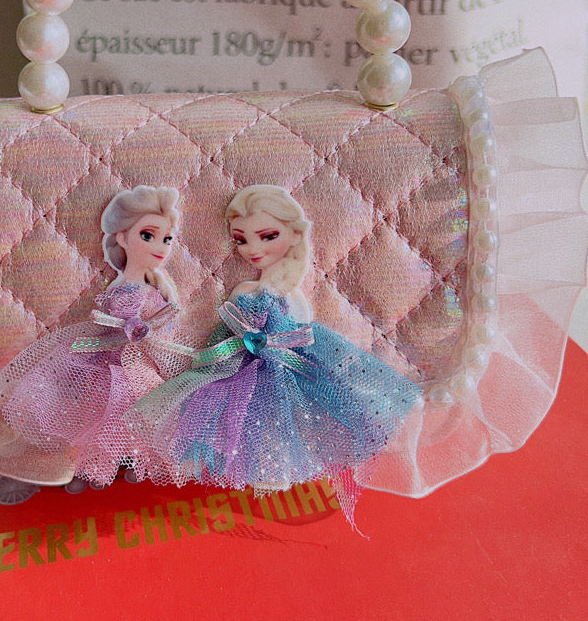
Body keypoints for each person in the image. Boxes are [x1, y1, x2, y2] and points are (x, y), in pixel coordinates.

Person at [127, 184, 422, 527]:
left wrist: (271, 344)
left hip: (284, 368)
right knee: (233, 417)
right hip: (239, 365)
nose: (252, 249)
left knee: (282, 421)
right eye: (241, 240)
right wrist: (219, 353)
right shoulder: (243, 290)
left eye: (267, 236)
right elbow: (226, 330)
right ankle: (238, 468)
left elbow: (301, 333)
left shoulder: (291, 295)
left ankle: (275, 472)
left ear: (296, 234)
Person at [0, 185, 189, 486]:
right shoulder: (123, 287)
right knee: (110, 411)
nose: (161, 246)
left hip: (145, 364)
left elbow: (165, 326)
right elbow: (117, 318)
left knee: (150, 411)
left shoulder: (156, 286)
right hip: (115, 364)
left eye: (167, 239)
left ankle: (134, 458)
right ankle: (96, 462)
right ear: (122, 238)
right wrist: (136, 327)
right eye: (148, 236)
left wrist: (155, 321)